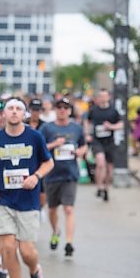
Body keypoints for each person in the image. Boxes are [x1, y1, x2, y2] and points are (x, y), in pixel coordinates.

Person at [0, 97, 54, 278]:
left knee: (27, 251)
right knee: (7, 247)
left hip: (28, 201)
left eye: (18, 109)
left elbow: (49, 162)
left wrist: (36, 176)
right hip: (4, 200)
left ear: (24, 114)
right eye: (10, 108)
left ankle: (34, 272)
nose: (14, 112)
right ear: (4, 114)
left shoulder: (34, 136)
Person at [39, 98, 87, 256]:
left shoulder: (76, 128)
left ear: (70, 110)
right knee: (52, 209)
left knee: (68, 209)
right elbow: (38, 148)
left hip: (70, 174)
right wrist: (54, 145)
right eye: (59, 107)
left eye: (65, 107)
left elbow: (83, 144)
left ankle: (69, 242)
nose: (62, 110)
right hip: (51, 174)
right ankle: (56, 231)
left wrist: (81, 151)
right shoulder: (47, 128)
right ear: (55, 110)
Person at [84, 89, 123, 201]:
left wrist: (111, 127)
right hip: (97, 141)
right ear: (98, 98)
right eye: (101, 96)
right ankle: (99, 187)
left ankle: (106, 189)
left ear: (108, 97)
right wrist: (87, 134)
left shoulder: (113, 111)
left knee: (109, 169)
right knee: (100, 163)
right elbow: (87, 121)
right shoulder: (94, 110)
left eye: (105, 96)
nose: (103, 98)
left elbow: (121, 124)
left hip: (109, 142)